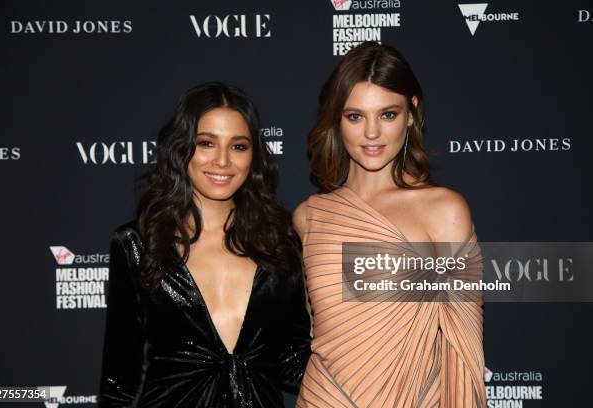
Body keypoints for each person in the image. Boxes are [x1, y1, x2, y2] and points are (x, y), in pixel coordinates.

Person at [294, 42, 485, 407]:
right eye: (354, 116)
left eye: (387, 115)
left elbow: (463, 350)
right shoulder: (308, 217)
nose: (371, 134)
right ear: (336, 119)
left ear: (411, 114)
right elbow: (317, 330)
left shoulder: (444, 211)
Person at [99, 82, 311, 407]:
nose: (223, 161)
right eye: (206, 143)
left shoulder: (281, 244)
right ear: (182, 148)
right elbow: (119, 381)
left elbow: (292, 362)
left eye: (238, 146)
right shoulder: (137, 245)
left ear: (254, 157)